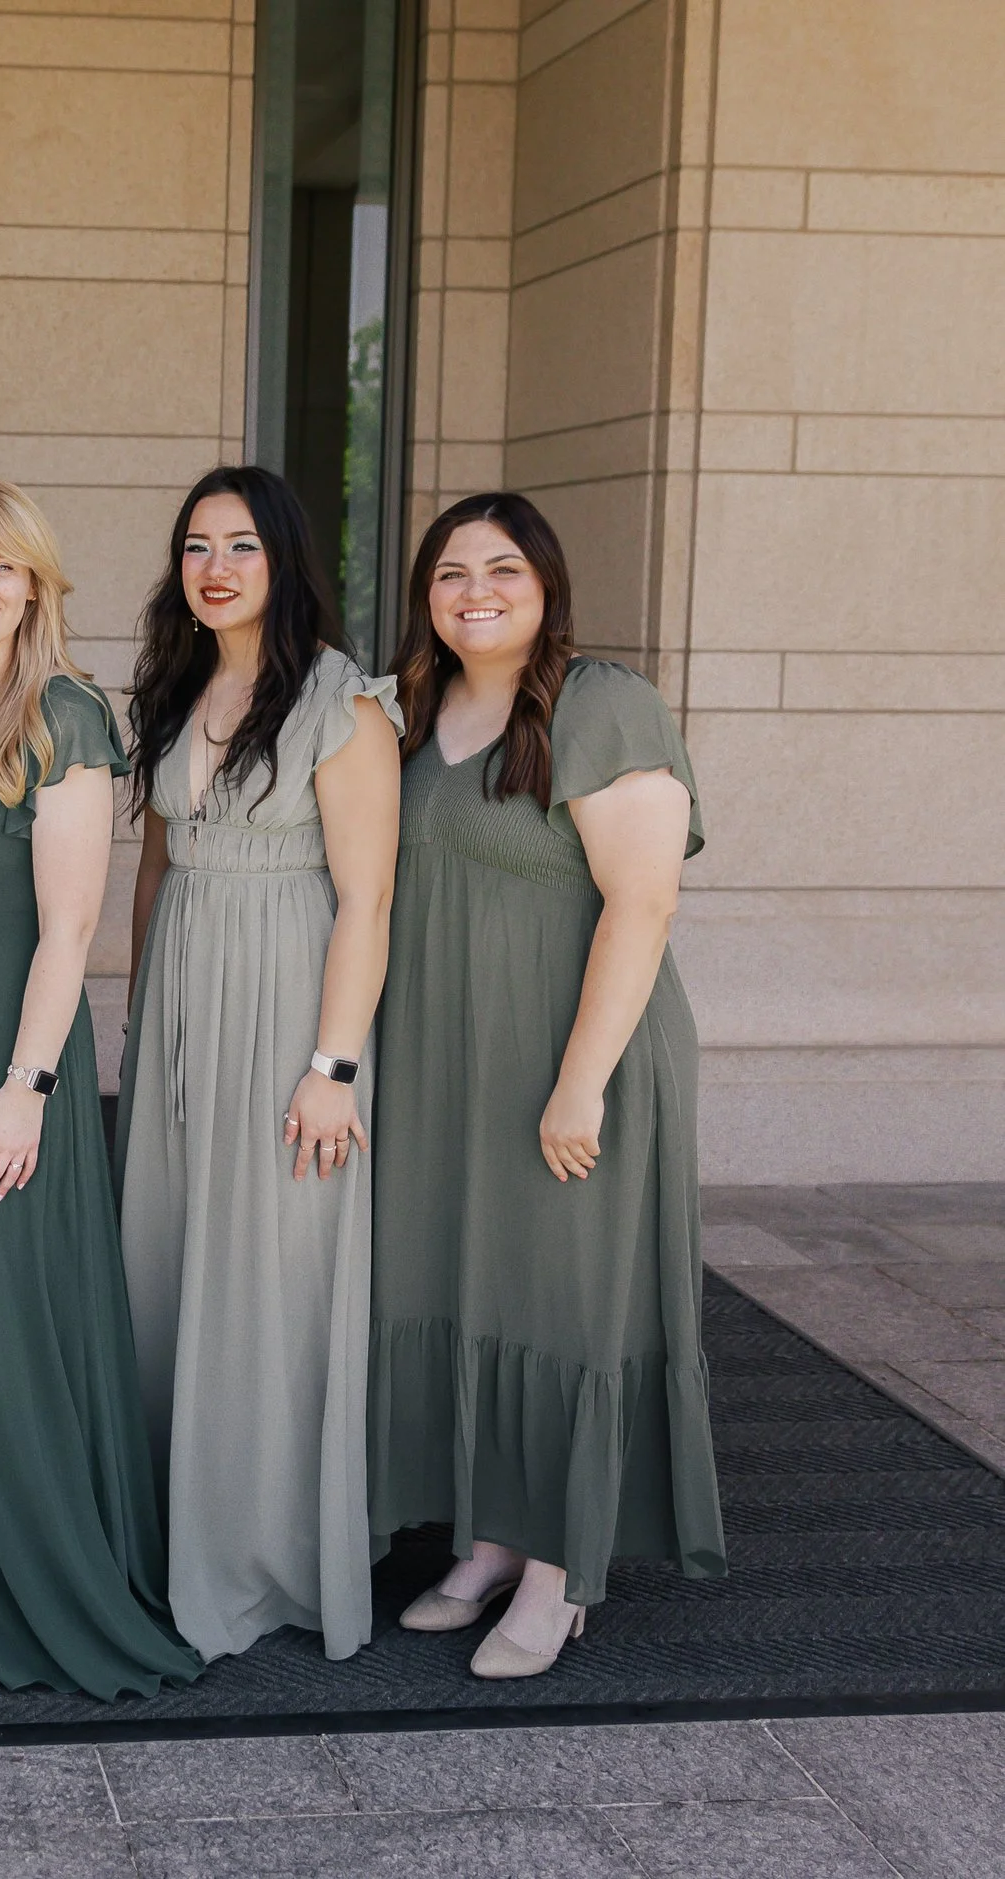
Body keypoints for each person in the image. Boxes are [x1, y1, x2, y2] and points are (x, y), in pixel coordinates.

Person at [369, 490, 723, 1678]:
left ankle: (565, 1571)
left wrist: (580, 1083)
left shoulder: (601, 702)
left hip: (576, 1054)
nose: (474, 591)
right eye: (449, 572)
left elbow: (644, 899)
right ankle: (493, 1534)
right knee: (477, 1288)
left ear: (546, 582)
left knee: (572, 1306)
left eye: (502, 568)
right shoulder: (417, 710)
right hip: (447, 1060)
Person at [0, 480, 204, 1700]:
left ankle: (28, 1580)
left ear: (35, 586)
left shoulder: (64, 712)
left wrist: (25, 1085)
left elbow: (71, 930)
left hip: (7, 1047)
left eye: (1, 566)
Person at [116, 465, 400, 1665]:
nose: (215, 566)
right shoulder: (179, 686)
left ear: (282, 560)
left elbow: (369, 897)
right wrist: (141, 1018)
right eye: (195, 545)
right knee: (171, 1262)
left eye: (239, 545)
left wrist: (331, 1063)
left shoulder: (344, 703)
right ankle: (173, 1538)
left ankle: (270, 1558)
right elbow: (157, 867)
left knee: (274, 1280)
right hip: (185, 993)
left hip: (292, 1001)